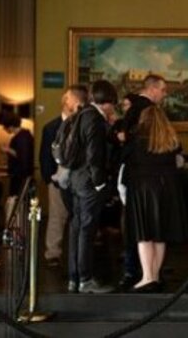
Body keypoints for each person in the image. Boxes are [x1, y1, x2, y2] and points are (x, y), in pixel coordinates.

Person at [126, 105, 188, 292]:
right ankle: (155, 274)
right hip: (167, 189)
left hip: (143, 189)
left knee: (144, 234)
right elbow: (178, 161)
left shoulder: (136, 139)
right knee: (161, 235)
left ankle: (147, 276)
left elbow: (127, 161)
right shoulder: (171, 139)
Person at [115, 74, 168, 290]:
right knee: (156, 231)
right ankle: (152, 274)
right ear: (153, 89)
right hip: (160, 184)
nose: (165, 95)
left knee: (141, 230)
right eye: (163, 90)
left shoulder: (135, 114)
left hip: (138, 181)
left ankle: (143, 274)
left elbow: (124, 147)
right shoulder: (145, 110)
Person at [68, 80, 119, 294]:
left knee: (77, 228)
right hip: (89, 183)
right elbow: (94, 156)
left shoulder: (82, 113)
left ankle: (74, 278)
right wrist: (100, 184)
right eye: (112, 104)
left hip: (76, 178)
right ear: (107, 102)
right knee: (87, 231)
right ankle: (85, 280)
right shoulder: (95, 119)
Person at [39, 85, 86, 267]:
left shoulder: (84, 124)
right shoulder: (50, 127)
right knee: (56, 218)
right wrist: (49, 177)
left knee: (80, 218)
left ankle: (78, 254)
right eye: (68, 98)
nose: (66, 101)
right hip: (56, 179)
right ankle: (53, 253)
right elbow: (44, 155)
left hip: (79, 180)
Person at [0, 108, 35, 215]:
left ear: (10, 126)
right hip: (23, 176)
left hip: (20, 177)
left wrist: (8, 150)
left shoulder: (21, 137)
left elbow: (22, 156)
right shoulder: (26, 135)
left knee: (16, 204)